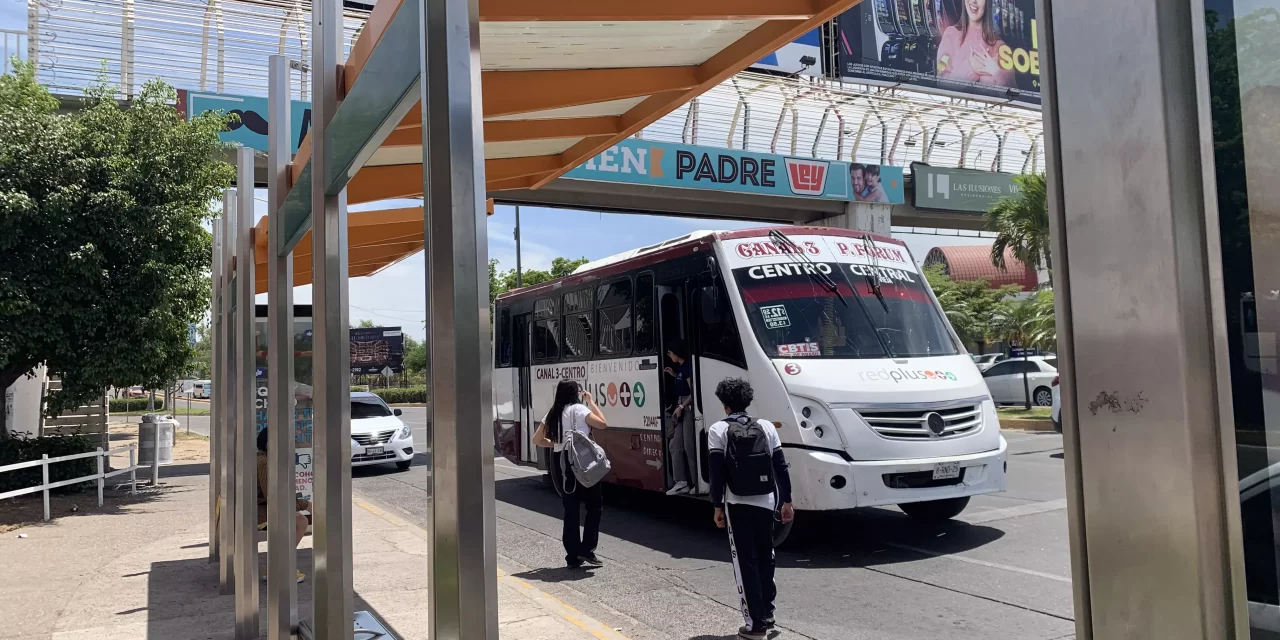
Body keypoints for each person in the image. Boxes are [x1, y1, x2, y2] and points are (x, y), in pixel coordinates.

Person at [708, 378, 794, 640]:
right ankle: (768, 613)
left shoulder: (718, 430)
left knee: (744, 561)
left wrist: (716, 506)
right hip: (766, 501)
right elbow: (780, 466)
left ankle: (754, 625)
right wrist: (787, 501)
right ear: (747, 401)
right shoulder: (766, 427)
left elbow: (716, 472)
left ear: (724, 404)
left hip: (737, 502)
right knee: (766, 556)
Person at [532, 379, 609, 568]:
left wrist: (557, 443)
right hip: (583, 461)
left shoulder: (553, 413)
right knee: (594, 505)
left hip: (562, 462)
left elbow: (537, 439)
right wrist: (591, 402)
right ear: (575, 393)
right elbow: (602, 424)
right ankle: (587, 550)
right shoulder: (580, 409)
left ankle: (572, 556)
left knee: (571, 508)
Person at [255, 426, 310, 583]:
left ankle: (277, 565)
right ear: (268, 444)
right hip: (259, 513)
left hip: (258, 509)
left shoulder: (263, 458)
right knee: (299, 520)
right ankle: (281, 567)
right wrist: (304, 504)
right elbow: (272, 495)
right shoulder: (264, 463)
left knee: (298, 518)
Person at [935, 0, 1016, 88]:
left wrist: (996, 71)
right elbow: (941, 82)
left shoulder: (1001, 47)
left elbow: (1012, 94)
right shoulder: (950, 35)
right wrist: (971, 69)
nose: (973, 1)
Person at [663, 340, 697, 495]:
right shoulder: (682, 368)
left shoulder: (689, 367)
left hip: (687, 408)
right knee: (675, 445)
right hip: (680, 406)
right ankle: (681, 481)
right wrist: (674, 375)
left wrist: (682, 407)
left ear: (677, 353)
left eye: (670, 353)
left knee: (689, 445)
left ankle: (695, 481)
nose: (669, 356)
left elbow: (693, 391)